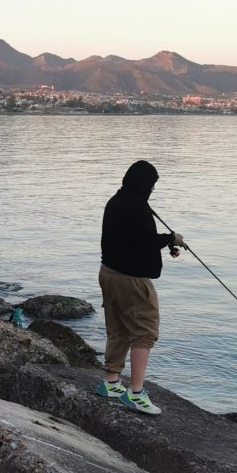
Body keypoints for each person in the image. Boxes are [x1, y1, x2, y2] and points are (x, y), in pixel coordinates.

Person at [96, 160, 185, 415]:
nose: (152, 189)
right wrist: (171, 238)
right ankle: (135, 393)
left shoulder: (116, 201)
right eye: (152, 184)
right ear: (145, 183)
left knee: (119, 329)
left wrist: (165, 242)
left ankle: (111, 383)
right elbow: (146, 240)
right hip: (131, 280)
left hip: (108, 273)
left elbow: (133, 239)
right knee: (144, 332)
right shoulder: (137, 207)